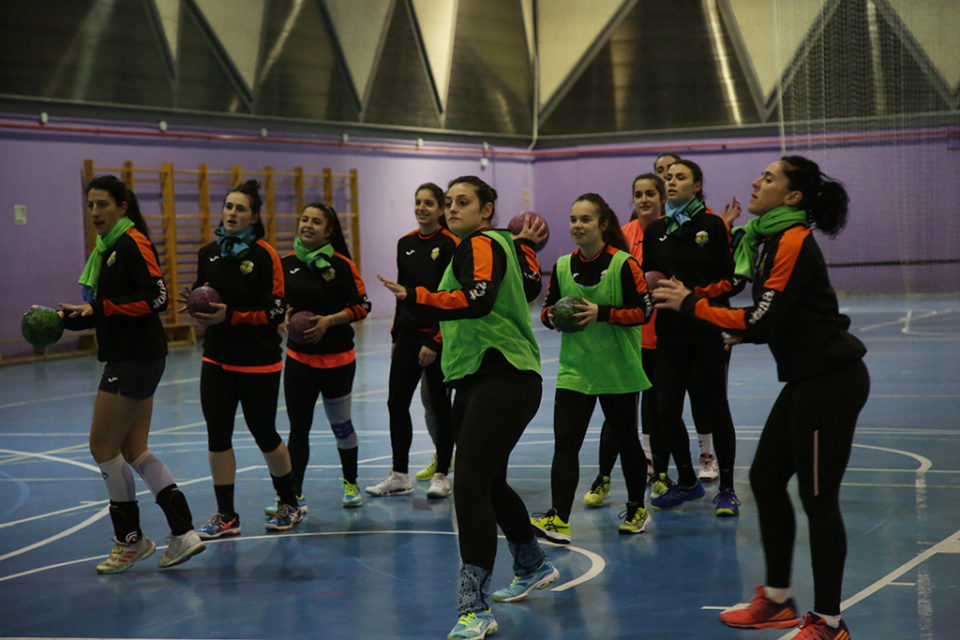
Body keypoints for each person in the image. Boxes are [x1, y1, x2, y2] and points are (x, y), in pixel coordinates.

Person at [654, 155, 868, 639]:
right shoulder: (768, 238)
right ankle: (776, 600)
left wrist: (694, 305)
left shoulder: (792, 240)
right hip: (806, 380)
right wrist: (740, 331)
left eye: (769, 178)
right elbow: (777, 315)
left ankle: (830, 623)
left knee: (818, 499)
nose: (756, 181)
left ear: (792, 197)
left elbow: (763, 318)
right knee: (769, 481)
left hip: (831, 381)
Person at [379, 176, 556, 640]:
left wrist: (416, 297)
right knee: (488, 481)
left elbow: (479, 300)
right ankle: (531, 562)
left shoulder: (481, 243)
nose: (452, 209)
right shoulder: (485, 246)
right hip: (478, 377)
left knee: (470, 487)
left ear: (487, 209)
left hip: (504, 377)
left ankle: (473, 608)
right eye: (449, 202)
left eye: (463, 202)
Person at [60, 175, 205, 573]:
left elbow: (155, 297)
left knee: (102, 448)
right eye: (90, 205)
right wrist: (72, 318)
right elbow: (110, 306)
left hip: (134, 359)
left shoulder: (133, 242)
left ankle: (131, 542)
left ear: (123, 206)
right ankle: (184, 533)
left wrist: (101, 309)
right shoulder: (106, 249)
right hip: (131, 356)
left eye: (103, 204)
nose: (95, 212)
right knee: (134, 449)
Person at [178, 179, 302, 536]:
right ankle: (226, 515)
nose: (232, 213)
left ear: (254, 216)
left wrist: (228, 315)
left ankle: (289, 502)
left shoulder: (266, 257)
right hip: (216, 358)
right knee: (218, 435)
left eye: (240, 208)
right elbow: (207, 296)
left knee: (264, 432)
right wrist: (197, 310)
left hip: (258, 360)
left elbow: (276, 312)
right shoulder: (208, 253)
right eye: (228, 206)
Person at [531, 193, 654, 543]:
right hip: (575, 370)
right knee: (565, 444)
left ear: (602, 225)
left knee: (628, 441)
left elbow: (643, 312)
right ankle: (559, 518)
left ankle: (636, 507)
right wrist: (551, 316)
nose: (577, 226)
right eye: (573, 219)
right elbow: (548, 307)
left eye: (585, 219)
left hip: (617, 369)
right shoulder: (562, 265)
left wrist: (601, 312)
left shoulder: (623, 264)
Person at [642, 159, 741, 515]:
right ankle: (687, 481)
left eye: (680, 177)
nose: (670, 181)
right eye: (667, 177)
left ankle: (728, 487)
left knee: (715, 408)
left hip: (706, 332)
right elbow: (648, 277)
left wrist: (693, 296)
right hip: (669, 334)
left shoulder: (712, 225)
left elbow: (731, 281)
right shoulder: (655, 231)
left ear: (697, 185)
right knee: (665, 410)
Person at [272, 202, 371, 512]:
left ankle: (351, 482)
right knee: (297, 429)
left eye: (316, 222)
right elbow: (275, 305)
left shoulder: (341, 265)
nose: (308, 225)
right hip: (300, 362)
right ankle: (293, 495)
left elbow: (363, 306)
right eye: (304, 219)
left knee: (341, 426)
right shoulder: (285, 263)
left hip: (338, 362)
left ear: (328, 230)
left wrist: (329, 320)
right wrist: (283, 320)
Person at [583, 174, 669, 507]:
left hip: (665, 337)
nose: (644, 199)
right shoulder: (624, 236)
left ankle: (660, 474)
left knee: (659, 411)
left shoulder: (672, 233)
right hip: (630, 337)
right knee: (619, 416)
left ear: (662, 197)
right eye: (638, 194)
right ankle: (603, 476)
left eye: (650, 193)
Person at [367, 183, 457, 499]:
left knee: (439, 405)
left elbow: (450, 297)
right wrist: (395, 335)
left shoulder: (451, 244)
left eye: (429, 203)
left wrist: (435, 340)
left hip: (435, 340)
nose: (421, 208)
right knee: (396, 403)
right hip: (406, 336)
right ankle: (399, 475)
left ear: (441, 209)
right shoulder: (405, 243)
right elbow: (401, 294)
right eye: (418, 202)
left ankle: (443, 474)